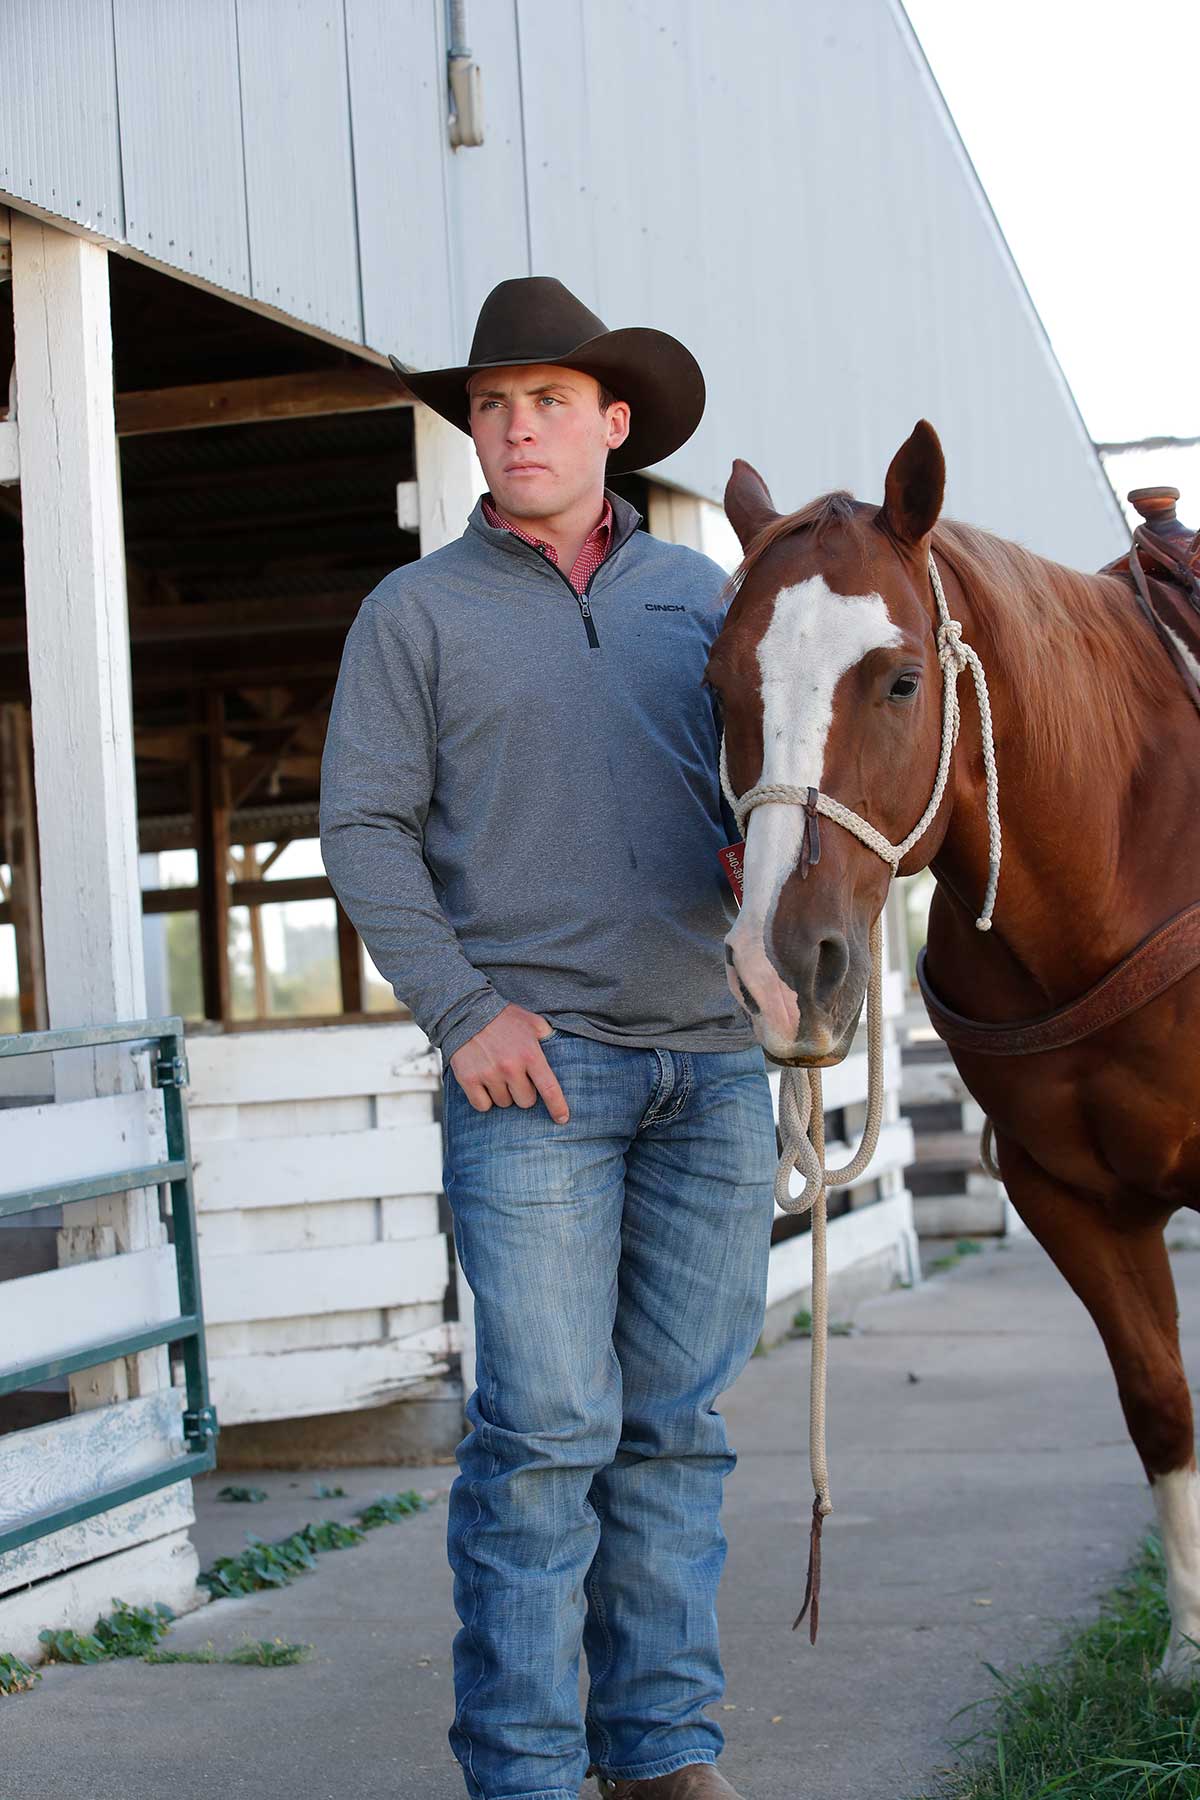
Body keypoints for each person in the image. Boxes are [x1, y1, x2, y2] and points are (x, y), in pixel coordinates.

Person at [320, 276, 776, 1800]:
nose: (520, 428)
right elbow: (362, 830)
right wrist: (463, 1010)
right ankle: (523, 1772)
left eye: (553, 401)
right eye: (496, 404)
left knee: (675, 1431)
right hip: (537, 1074)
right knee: (543, 1435)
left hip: (712, 1064)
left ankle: (663, 1755)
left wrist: (765, 893)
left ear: (614, 422)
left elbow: (770, 789)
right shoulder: (414, 616)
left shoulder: (704, 601)